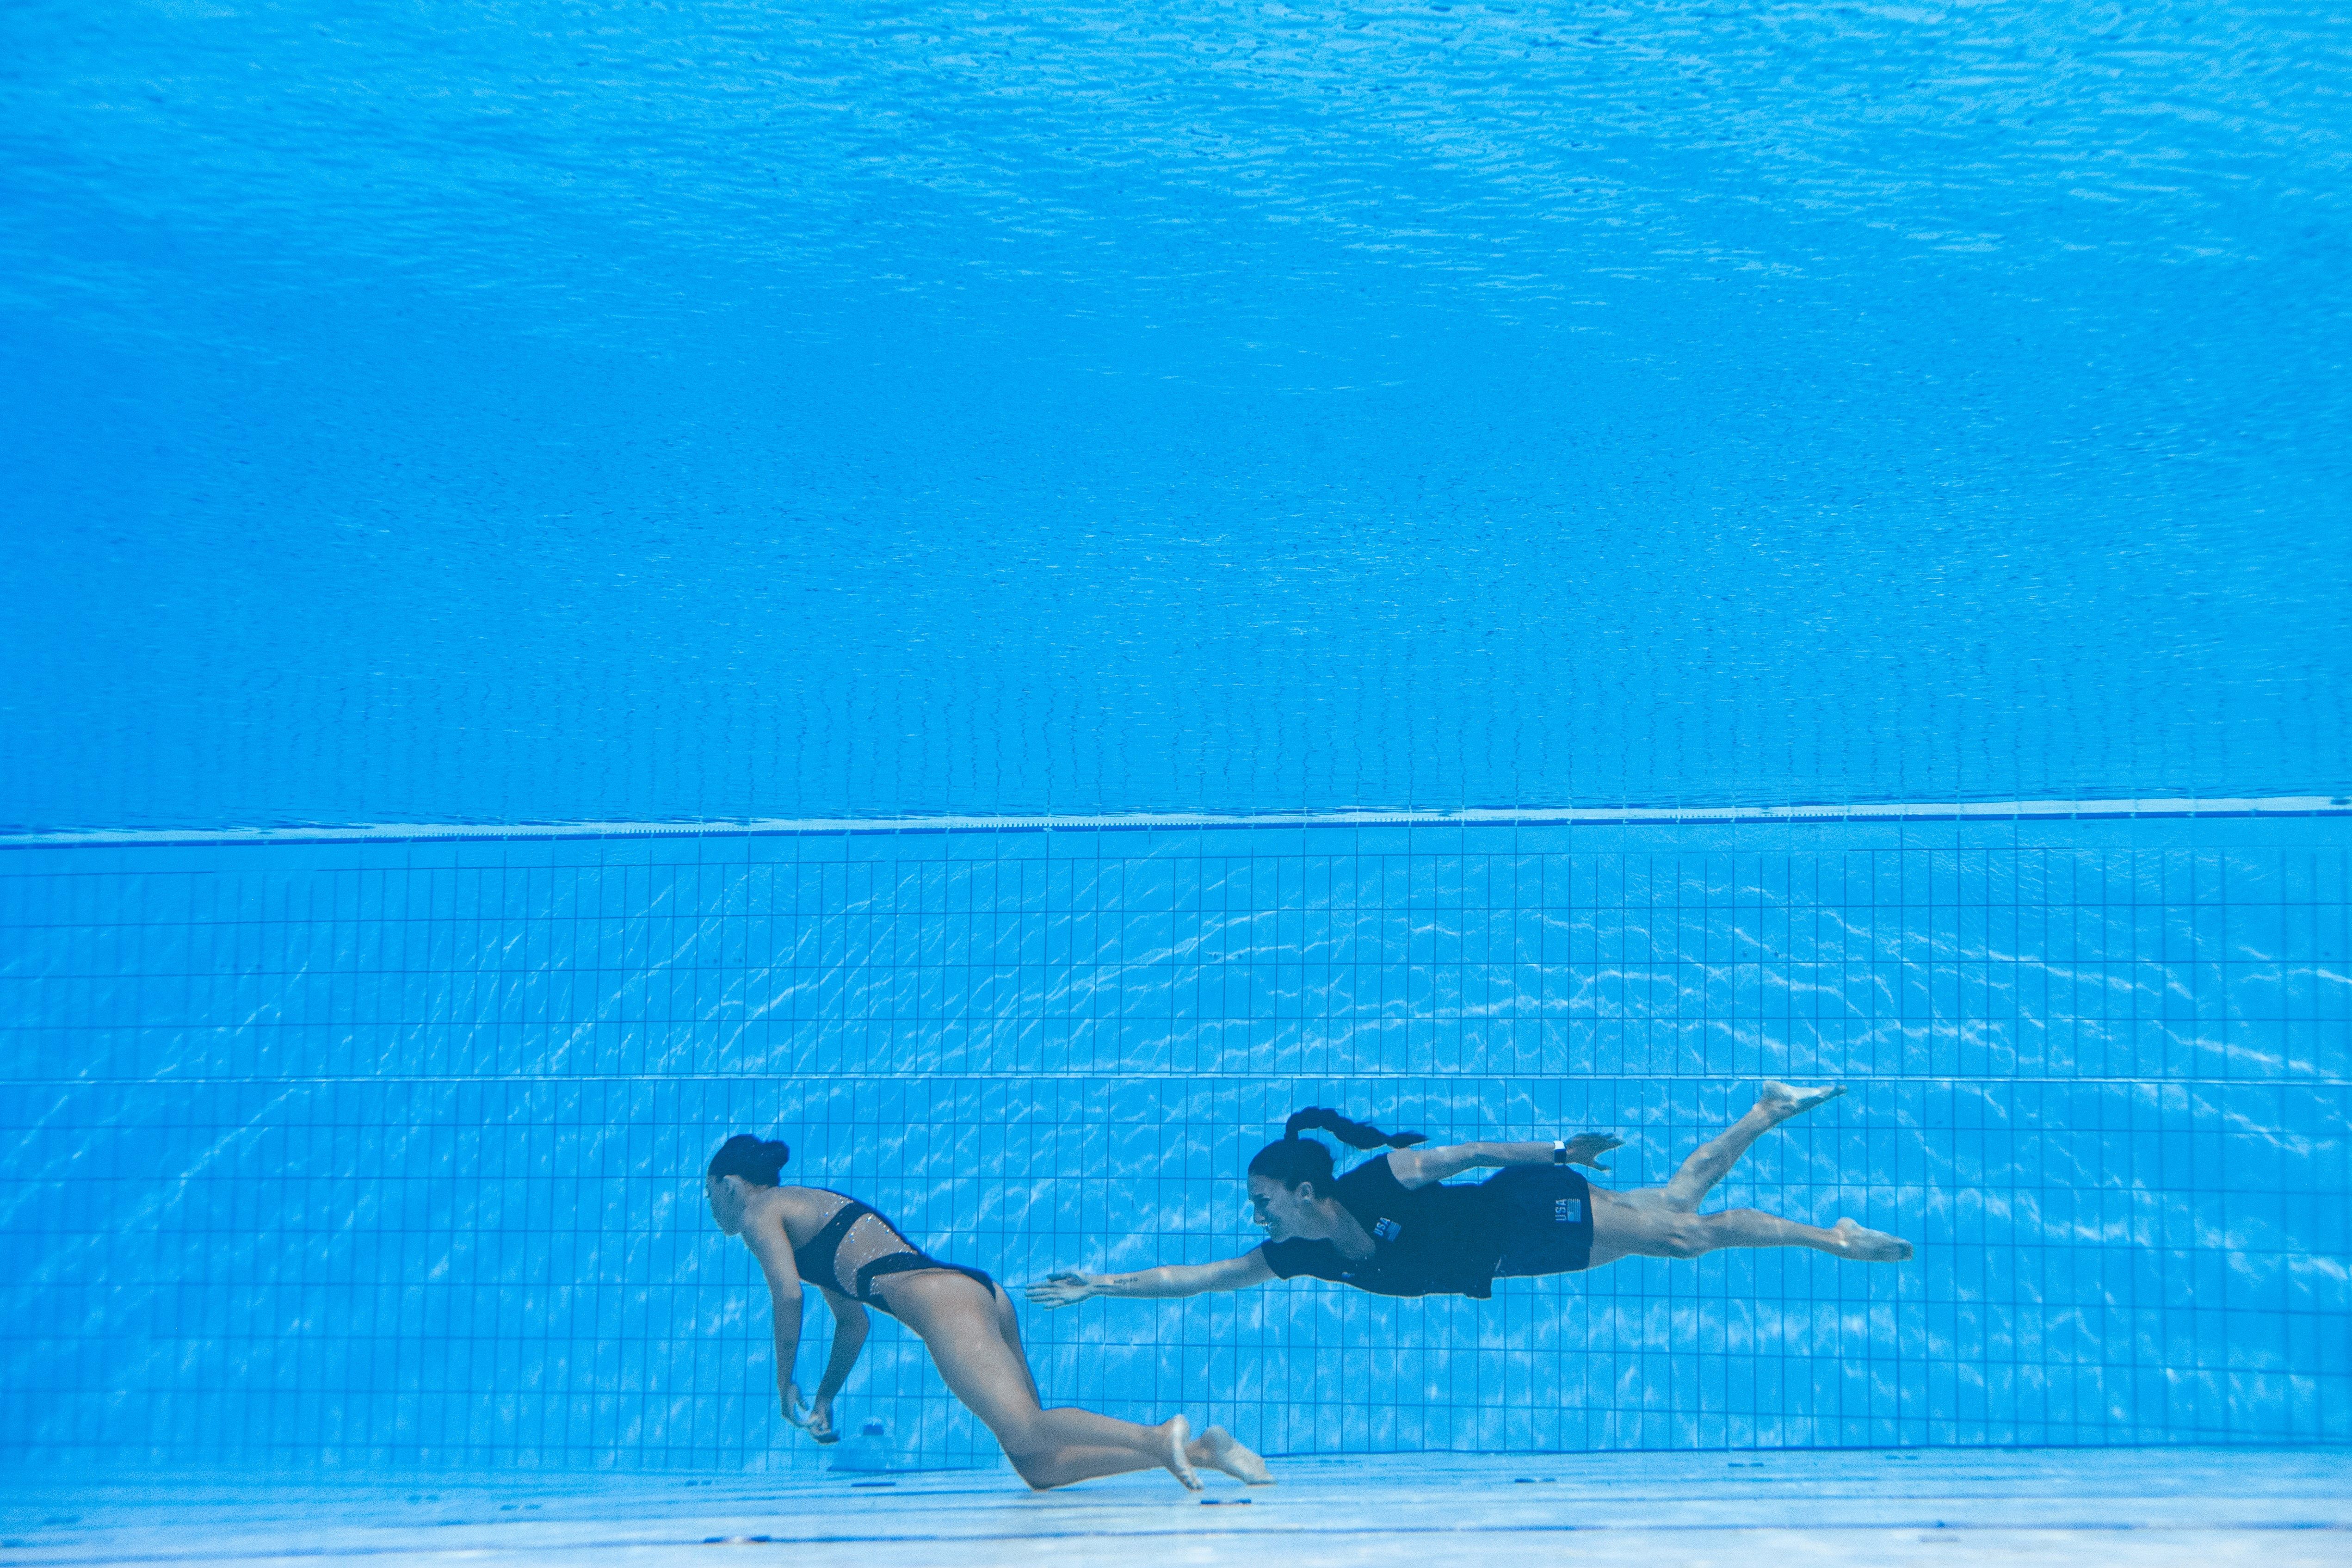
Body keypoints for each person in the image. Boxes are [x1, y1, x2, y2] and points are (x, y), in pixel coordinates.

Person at [703, 1133, 1271, 1491]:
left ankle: (1159, 1434)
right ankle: (1202, 1450)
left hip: (943, 1301)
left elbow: (788, 1296)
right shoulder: (807, 1209)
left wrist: (785, 1385)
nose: (713, 1209)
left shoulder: (761, 1211)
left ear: (731, 1185)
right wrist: (826, 1396)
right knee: (1038, 1462)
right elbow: (854, 1322)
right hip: (975, 1293)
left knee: (1025, 1428)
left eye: (710, 1196)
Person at [1026, 1082, 1911, 1309]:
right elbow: (1202, 1277)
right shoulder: (1298, 1253)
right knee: (1675, 1208)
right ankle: (1766, 1108)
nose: (1257, 1217)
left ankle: (1826, 1236)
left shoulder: (1379, 1178)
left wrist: (1562, 1150)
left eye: (1264, 1200)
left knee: (1683, 1234)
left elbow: (1474, 1150)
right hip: (1512, 1260)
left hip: (1524, 1210)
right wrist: (1104, 1284)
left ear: (1304, 1189)